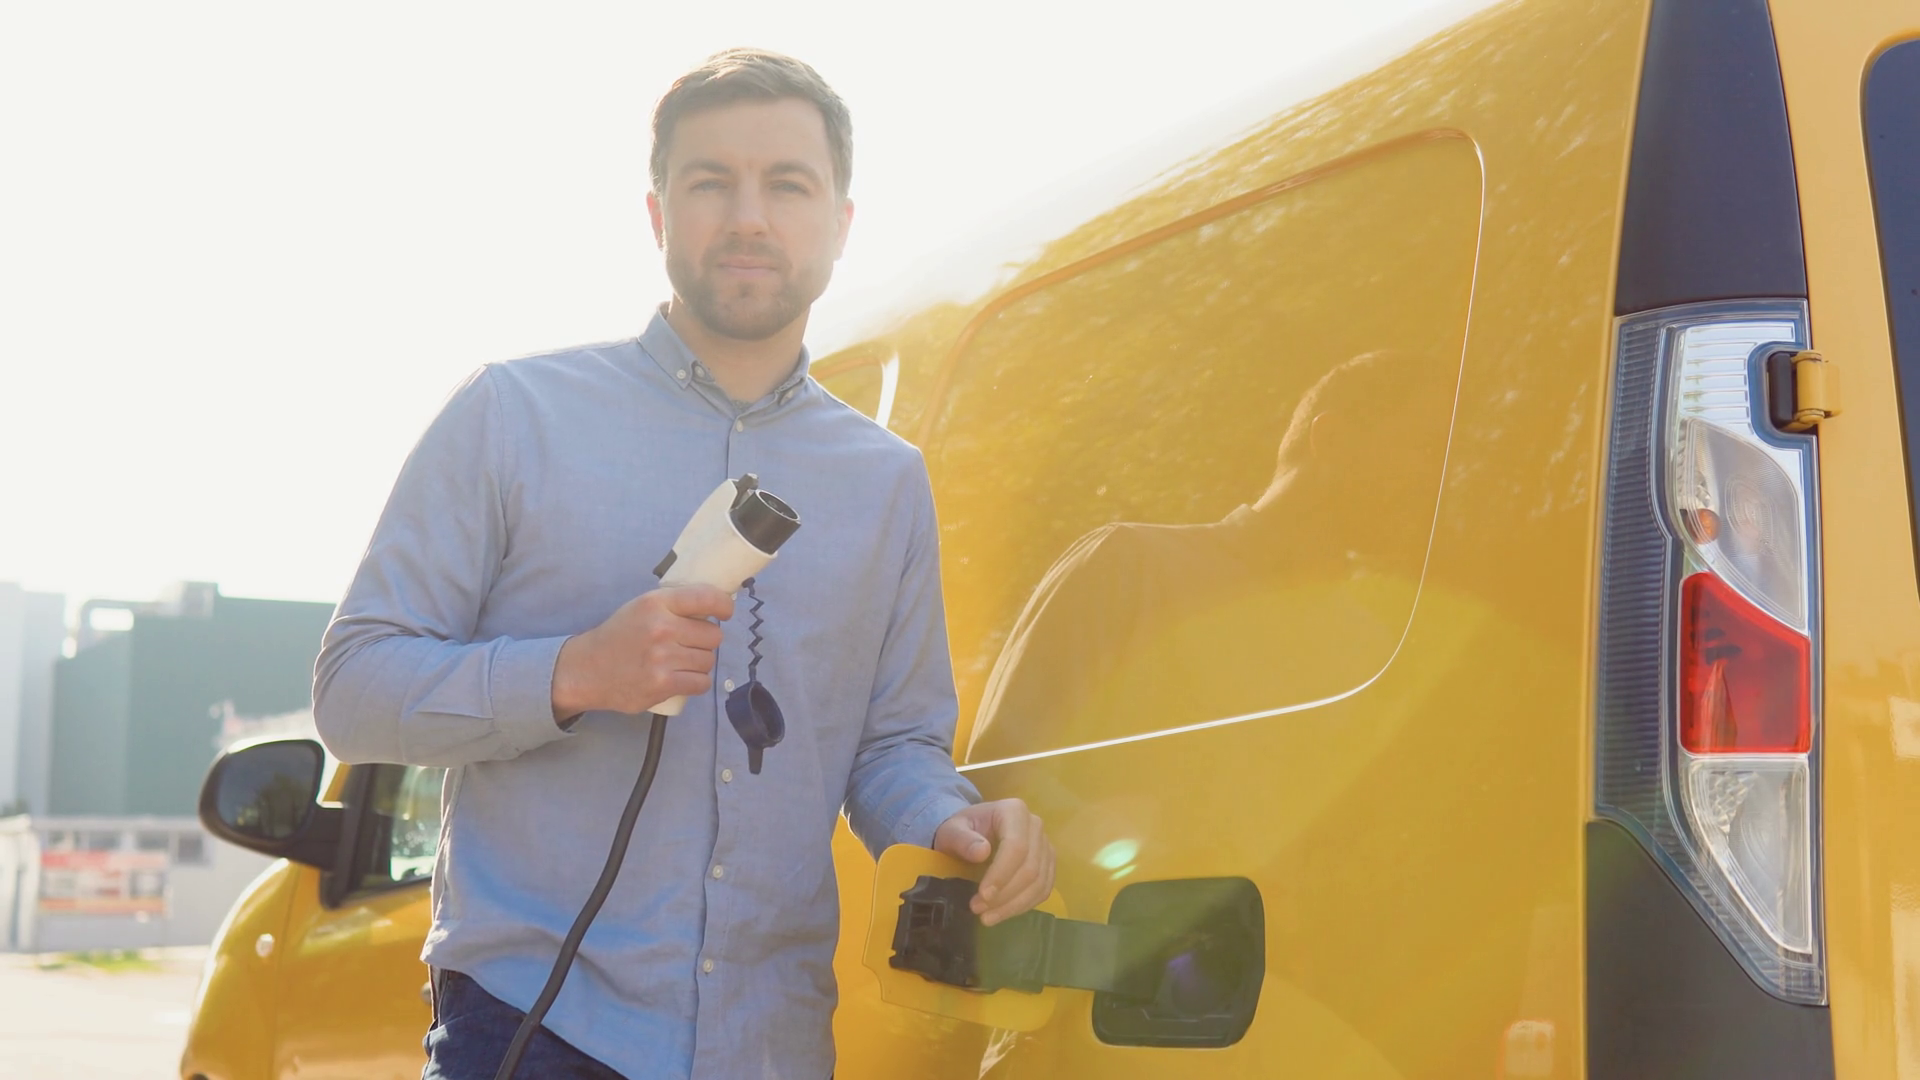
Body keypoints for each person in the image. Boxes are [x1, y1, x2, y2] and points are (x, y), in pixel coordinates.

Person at [314, 49, 1055, 1080]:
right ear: (659, 213)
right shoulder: (511, 416)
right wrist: (574, 672)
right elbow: (352, 692)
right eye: (712, 182)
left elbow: (892, 747)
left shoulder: (887, 481)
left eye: (787, 184)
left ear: (840, 222)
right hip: (535, 1030)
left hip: (773, 1043)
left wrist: (952, 820)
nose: (749, 218)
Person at [968, 350, 1445, 762]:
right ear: (1334, 441)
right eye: (1427, 449)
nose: (1439, 480)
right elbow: (999, 778)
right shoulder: (1127, 567)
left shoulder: (1368, 648)